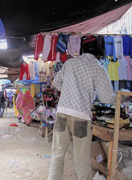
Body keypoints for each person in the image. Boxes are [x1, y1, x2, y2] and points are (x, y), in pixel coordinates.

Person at [48, 52, 115, 180]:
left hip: (62, 112)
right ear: (99, 55)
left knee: (57, 153)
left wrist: (69, 91)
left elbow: (56, 83)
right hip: (81, 117)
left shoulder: (70, 62)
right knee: (81, 158)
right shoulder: (98, 68)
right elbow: (107, 98)